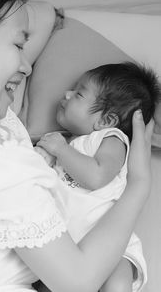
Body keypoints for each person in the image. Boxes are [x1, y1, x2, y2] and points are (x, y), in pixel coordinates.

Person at [0, 0, 154, 292]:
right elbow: (76, 281)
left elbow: (43, 16)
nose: (27, 66)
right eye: (18, 44)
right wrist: (139, 186)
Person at [36, 62, 160, 292]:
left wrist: (61, 150)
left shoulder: (109, 139)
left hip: (109, 244)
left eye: (79, 93)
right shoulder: (63, 140)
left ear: (106, 121)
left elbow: (97, 175)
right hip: (66, 247)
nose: (67, 94)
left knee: (116, 283)